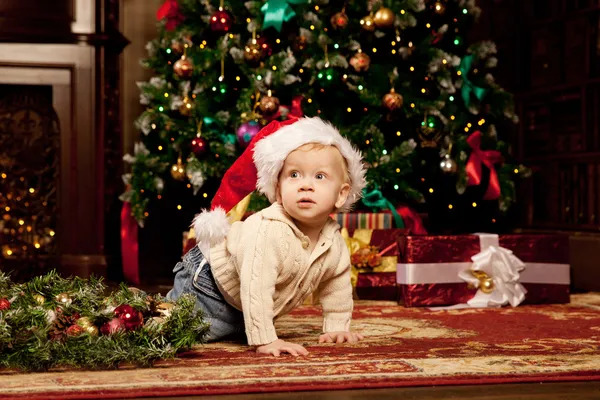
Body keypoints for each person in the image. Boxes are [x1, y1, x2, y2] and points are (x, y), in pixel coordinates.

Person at [167, 117, 366, 356]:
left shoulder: (333, 241)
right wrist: (265, 340)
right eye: (294, 175)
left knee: (224, 332)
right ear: (278, 190)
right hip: (206, 289)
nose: (305, 185)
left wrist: (336, 327)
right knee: (171, 332)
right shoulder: (270, 229)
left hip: (242, 307)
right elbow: (257, 284)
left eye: (320, 176)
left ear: (341, 194)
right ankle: (138, 312)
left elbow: (337, 284)